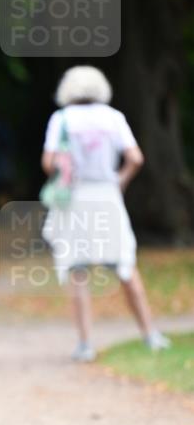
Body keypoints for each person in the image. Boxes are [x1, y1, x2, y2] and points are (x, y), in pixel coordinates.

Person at [40, 65, 171, 362]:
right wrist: (120, 180)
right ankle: (150, 333)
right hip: (107, 196)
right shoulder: (114, 118)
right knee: (125, 264)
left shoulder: (61, 119)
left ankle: (85, 344)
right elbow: (135, 158)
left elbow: (49, 163)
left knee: (78, 271)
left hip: (75, 197)